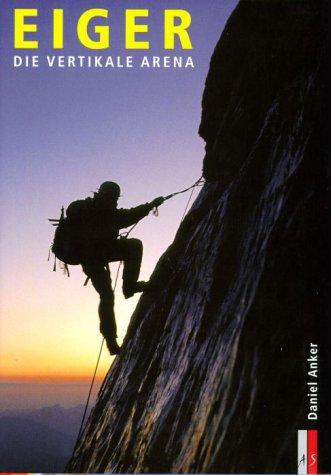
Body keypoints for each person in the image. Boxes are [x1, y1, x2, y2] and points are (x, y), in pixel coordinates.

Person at [73, 181, 164, 355]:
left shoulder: (92, 209)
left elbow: (127, 215)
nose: (115, 202)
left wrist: (151, 205)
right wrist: (151, 205)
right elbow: (127, 216)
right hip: (92, 258)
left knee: (107, 295)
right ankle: (111, 338)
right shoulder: (99, 211)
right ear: (107, 196)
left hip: (94, 256)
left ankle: (129, 287)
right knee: (107, 295)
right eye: (114, 198)